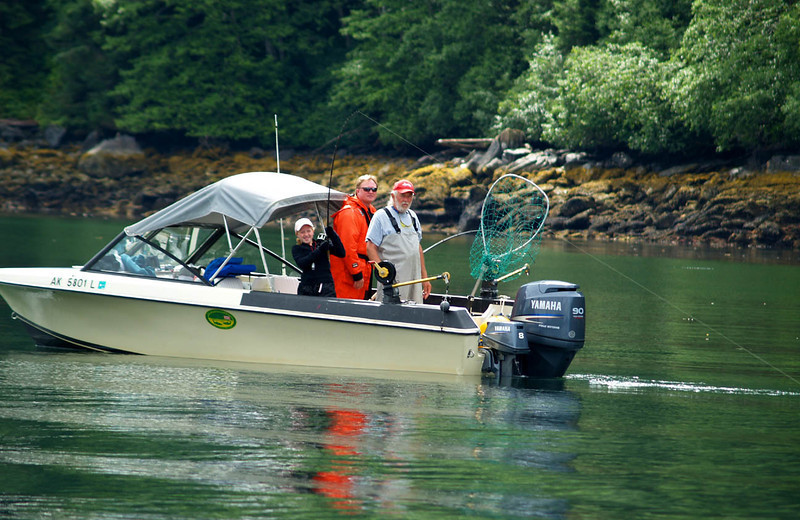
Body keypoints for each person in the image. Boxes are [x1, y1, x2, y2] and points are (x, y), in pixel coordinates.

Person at [365, 179, 431, 303]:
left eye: (409, 196)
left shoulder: (413, 216)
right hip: (392, 281)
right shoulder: (381, 216)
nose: (406, 199)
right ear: (393, 196)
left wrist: (424, 278)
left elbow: (418, 247)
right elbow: (370, 247)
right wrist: (383, 273)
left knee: (414, 311)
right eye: (402, 195)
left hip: (415, 279)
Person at [330, 174, 378, 299]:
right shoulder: (348, 213)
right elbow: (347, 247)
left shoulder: (372, 212)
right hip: (349, 273)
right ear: (357, 191)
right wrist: (356, 274)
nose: (371, 192)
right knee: (348, 308)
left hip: (366, 269)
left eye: (374, 189)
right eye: (366, 189)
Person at [291, 217, 345, 297]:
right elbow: (303, 263)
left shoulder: (322, 244)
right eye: (302, 232)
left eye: (308, 231)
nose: (306, 235)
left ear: (313, 231)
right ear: (297, 234)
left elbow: (341, 253)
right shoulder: (297, 248)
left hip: (326, 286)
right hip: (307, 287)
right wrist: (320, 250)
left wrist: (333, 234)